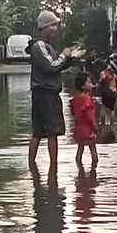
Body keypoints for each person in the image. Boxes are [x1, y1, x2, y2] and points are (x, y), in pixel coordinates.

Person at [27, 10, 83, 169]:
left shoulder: (44, 45)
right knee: (52, 131)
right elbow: (51, 67)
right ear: (43, 27)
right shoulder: (39, 46)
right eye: (52, 25)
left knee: (38, 132)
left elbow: (57, 66)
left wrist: (70, 58)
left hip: (41, 94)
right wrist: (65, 55)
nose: (55, 28)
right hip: (46, 95)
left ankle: (34, 167)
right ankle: (53, 168)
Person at [71, 71, 98, 167]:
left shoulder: (75, 100)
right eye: (89, 83)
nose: (92, 85)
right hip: (87, 130)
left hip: (78, 130)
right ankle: (94, 169)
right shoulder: (87, 100)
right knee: (93, 150)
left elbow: (74, 113)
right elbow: (89, 116)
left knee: (80, 149)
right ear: (83, 86)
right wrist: (95, 126)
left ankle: (79, 168)